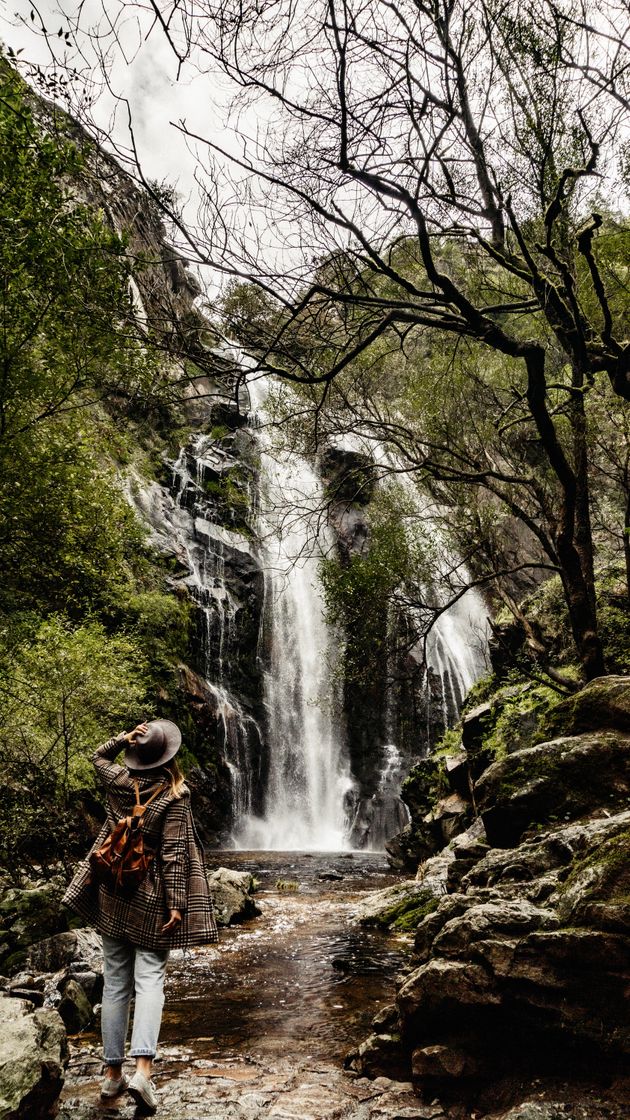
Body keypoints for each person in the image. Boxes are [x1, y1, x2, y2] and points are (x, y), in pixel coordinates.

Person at [63, 719, 218, 1114]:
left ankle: (112, 1075)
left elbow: (96, 756)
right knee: (150, 980)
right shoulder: (174, 795)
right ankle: (143, 1072)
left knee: (116, 982)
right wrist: (177, 904)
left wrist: (122, 737)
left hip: (114, 890)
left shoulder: (118, 781)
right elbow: (173, 854)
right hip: (150, 897)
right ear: (170, 755)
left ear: (136, 753)